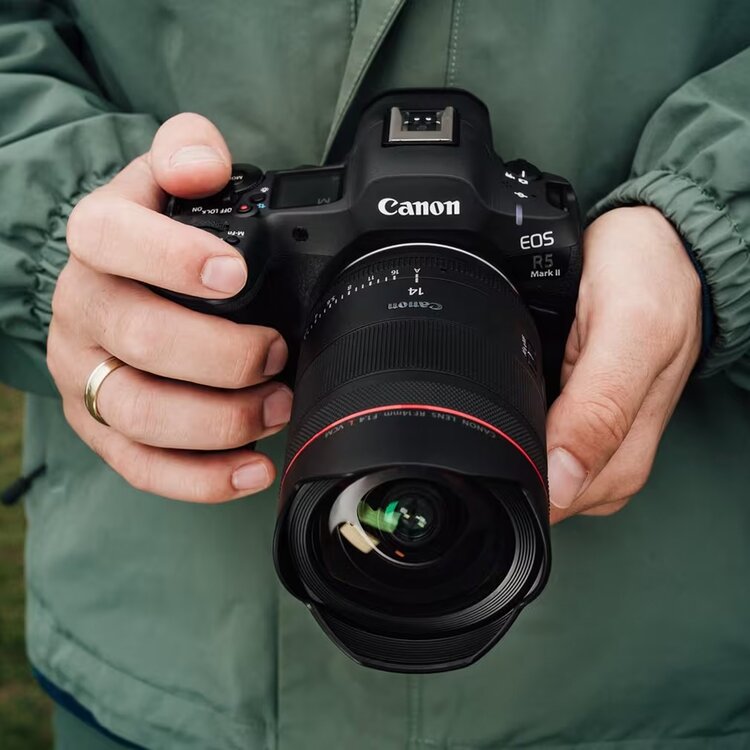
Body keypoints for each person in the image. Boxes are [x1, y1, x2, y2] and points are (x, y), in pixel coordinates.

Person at [1, 1, 749, 748]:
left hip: (654, 688)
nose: (405, 515)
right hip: (176, 679)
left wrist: (707, 234)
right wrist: (82, 245)